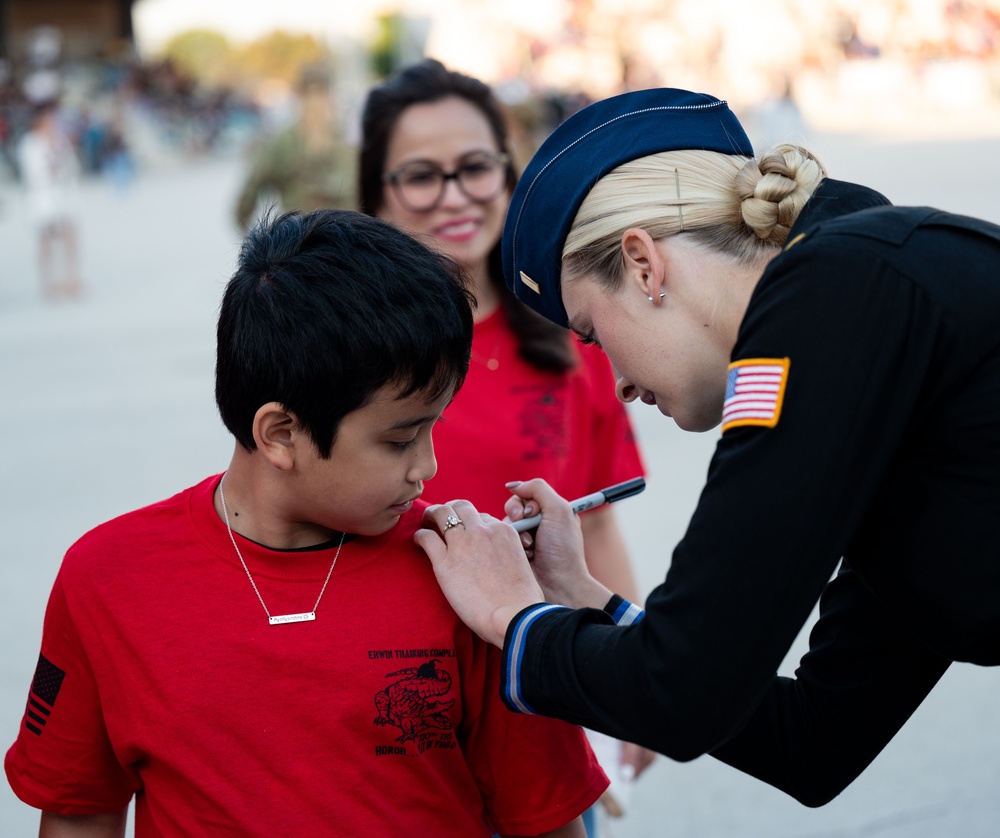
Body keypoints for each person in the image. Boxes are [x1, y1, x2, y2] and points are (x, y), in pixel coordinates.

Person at [413, 87, 1000, 807]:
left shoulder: (829, 297)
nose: (620, 385)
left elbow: (681, 694)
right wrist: (584, 600)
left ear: (642, 264)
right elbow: (815, 739)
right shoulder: (860, 313)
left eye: (594, 334)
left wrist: (514, 618)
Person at [4, 209, 607, 836]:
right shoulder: (107, 580)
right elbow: (79, 815)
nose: (427, 467)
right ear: (281, 433)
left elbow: (548, 817)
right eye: (401, 439)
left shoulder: (473, 580)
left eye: (436, 426)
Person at [358, 59, 653, 830]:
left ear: (508, 172)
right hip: (390, 725)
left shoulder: (575, 335)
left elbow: (592, 523)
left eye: (475, 168)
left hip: (535, 705)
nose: (455, 197)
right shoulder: (343, 355)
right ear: (377, 192)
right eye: (422, 176)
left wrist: (632, 682)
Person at [234, 63, 357, 231]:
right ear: (299, 98)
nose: (315, 103)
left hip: (350, 244)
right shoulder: (281, 144)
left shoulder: (350, 142)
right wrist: (255, 244)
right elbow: (249, 193)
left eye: (320, 94)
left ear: (330, 97)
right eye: (308, 95)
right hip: (302, 246)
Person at [16, 100, 84, 300]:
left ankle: (71, 279)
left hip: (63, 197)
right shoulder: (30, 142)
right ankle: (48, 283)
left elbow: (72, 166)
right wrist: (52, 169)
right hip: (43, 200)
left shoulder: (60, 140)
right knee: (46, 241)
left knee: (70, 237)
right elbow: (33, 173)